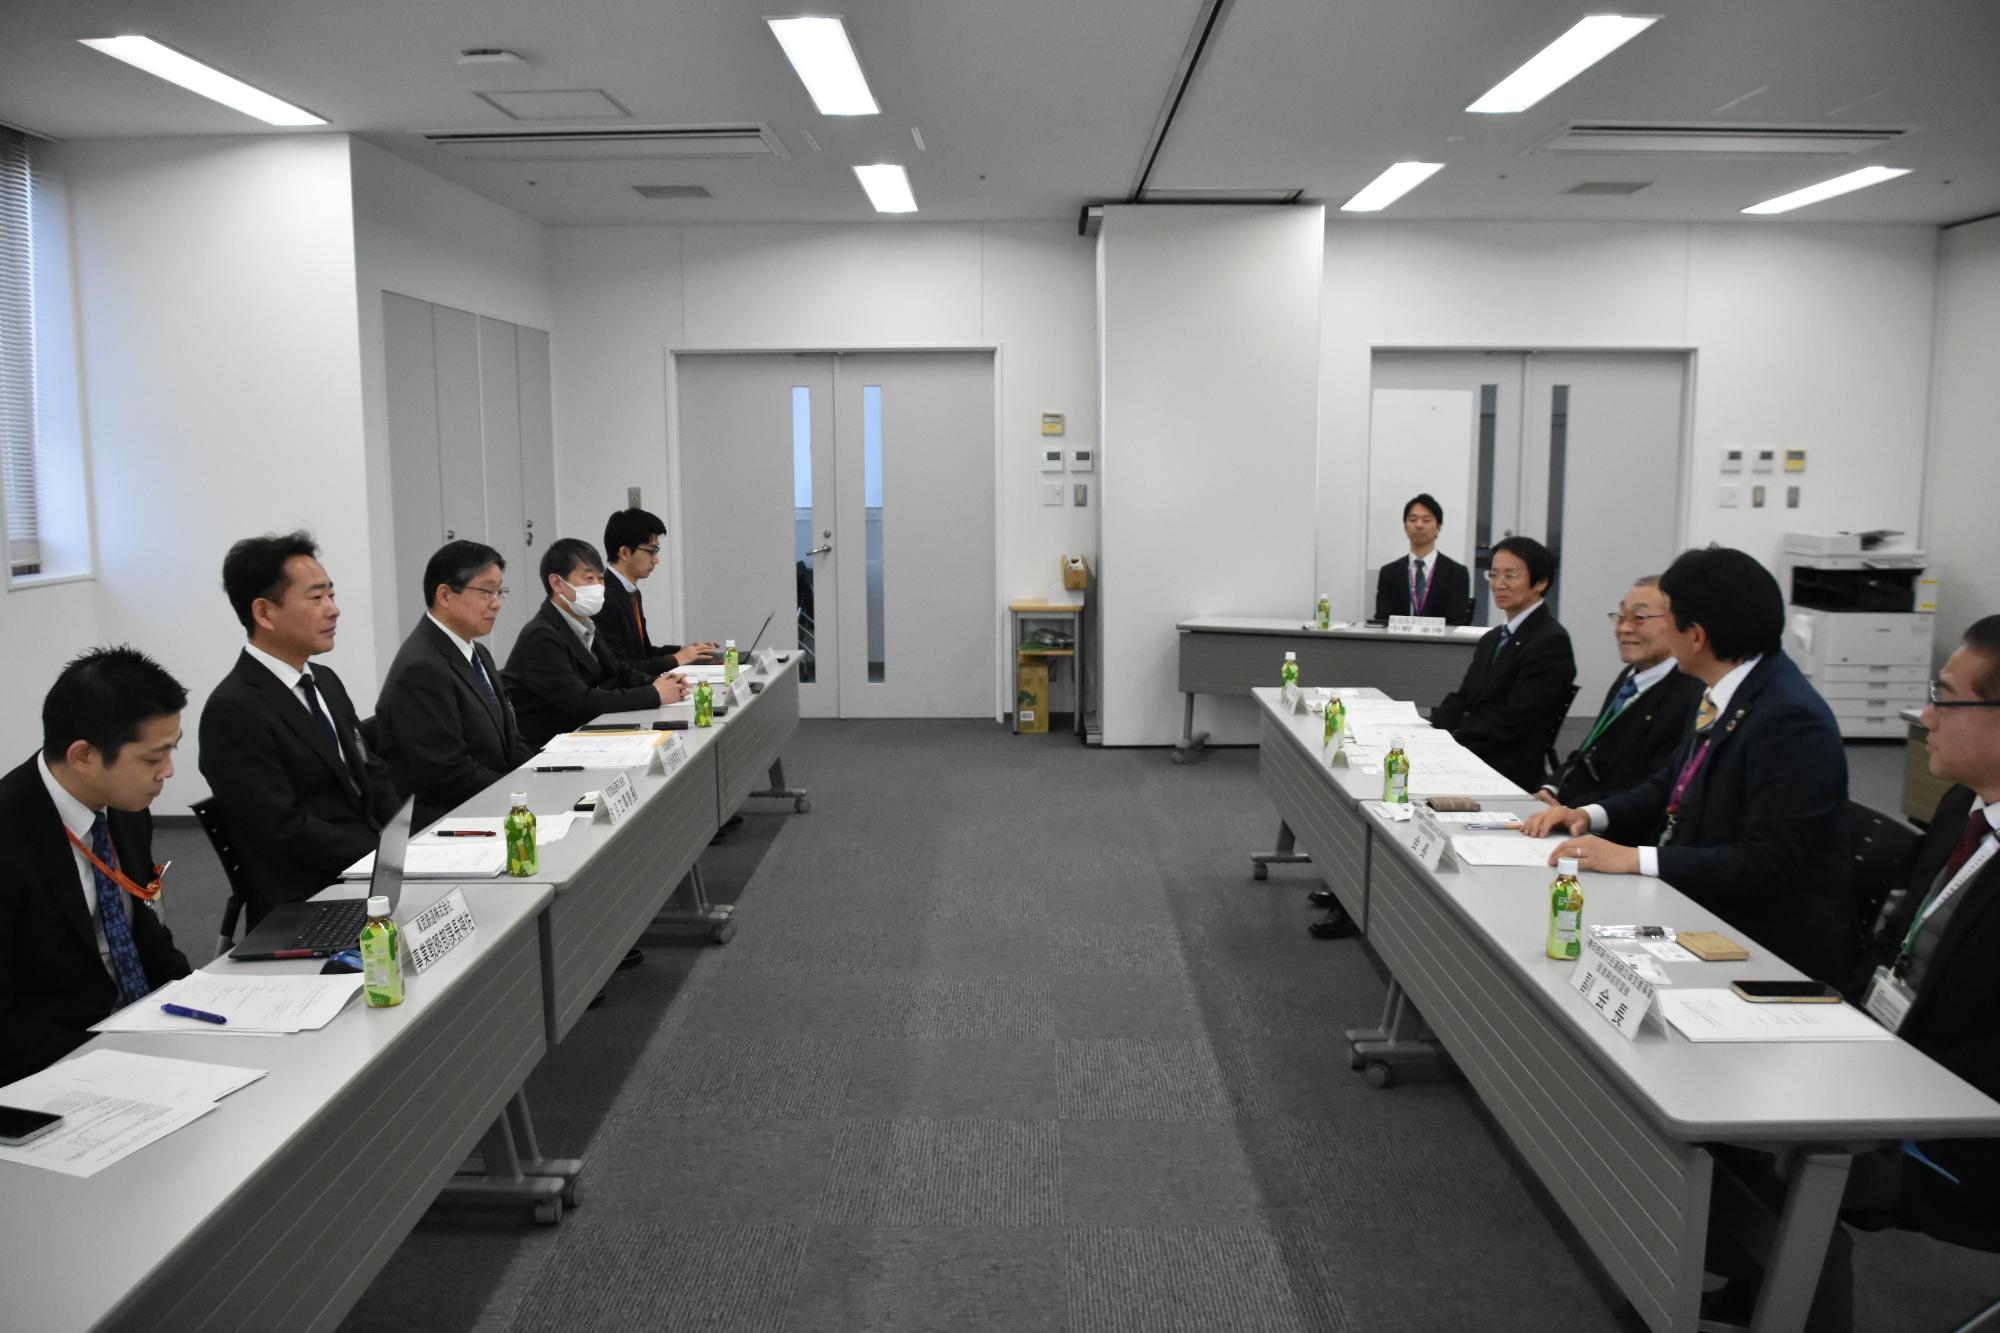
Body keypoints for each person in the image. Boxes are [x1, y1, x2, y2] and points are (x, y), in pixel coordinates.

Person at [1525, 545, 1856, 984]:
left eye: (1668, 617)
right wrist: (1589, 815)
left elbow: (1764, 863)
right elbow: (1670, 784)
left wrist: (1634, 858)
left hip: (1764, 942)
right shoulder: (1724, 689)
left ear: (1696, 636)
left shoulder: (1789, 719)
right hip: (1701, 901)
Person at [1844, 614, 2000, 1249]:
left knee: (1775, 1153)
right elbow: (1895, 935)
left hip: (1963, 1117)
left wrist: (1899, 1074)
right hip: (1896, 1059)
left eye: (1946, 699)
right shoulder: (1963, 804)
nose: (1926, 718)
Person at [0, 647, 194, 1085]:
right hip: (57, 1064)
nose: (167, 771)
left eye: (171, 750)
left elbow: (145, 929)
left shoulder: (124, 804)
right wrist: (116, 1056)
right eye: (152, 759)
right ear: (83, 756)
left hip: (143, 1033)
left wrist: (200, 998)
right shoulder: (10, 838)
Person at [199, 532, 402, 925]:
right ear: (264, 613)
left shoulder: (324, 680)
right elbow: (281, 827)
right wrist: (378, 856)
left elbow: (371, 772)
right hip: (309, 896)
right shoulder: (234, 709)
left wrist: (405, 843)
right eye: (317, 598)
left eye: (332, 595)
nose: (334, 610)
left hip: (365, 871)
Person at [374, 541, 535, 830]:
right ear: (445, 595)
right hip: (448, 819)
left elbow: (511, 739)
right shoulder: (421, 668)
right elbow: (450, 773)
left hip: (490, 799)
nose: (496, 603)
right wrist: (519, 797)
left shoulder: (476, 652)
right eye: (486, 591)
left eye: (499, 592)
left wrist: (539, 775)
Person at [503, 537, 690, 749]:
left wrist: (659, 681)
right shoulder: (540, 636)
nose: (598, 587)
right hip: (550, 747)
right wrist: (654, 694)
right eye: (589, 578)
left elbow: (617, 671)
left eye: (601, 579)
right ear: (557, 583)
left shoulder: (584, 623)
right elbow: (581, 701)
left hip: (584, 735)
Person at [1539, 575, 1704, 809]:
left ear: (1677, 624)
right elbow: (1590, 750)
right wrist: (1551, 788)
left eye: (1639, 618)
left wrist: (1580, 812)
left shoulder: (1689, 694)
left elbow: (1652, 787)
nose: (1624, 629)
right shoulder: (1630, 677)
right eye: (1621, 617)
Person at [1429, 535, 1577, 791]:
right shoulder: (1493, 638)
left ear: (1540, 582)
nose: (1499, 584)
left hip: (1505, 767)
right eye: (1494, 574)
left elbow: (1515, 720)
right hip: (1471, 752)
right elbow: (1462, 698)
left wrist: (1452, 744)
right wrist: (1427, 733)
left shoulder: (1550, 641)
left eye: (1511, 576)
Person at [598, 507, 717, 675]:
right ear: (625, 553)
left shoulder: (630, 592)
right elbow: (620, 667)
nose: (656, 560)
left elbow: (644, 653)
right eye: (651, 551)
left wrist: (685, 651)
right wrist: (677, 658)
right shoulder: (603, 598)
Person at [1373, 493, 1474, 625]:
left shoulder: (1457, 573)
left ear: (1438, 527)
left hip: (1441, 638)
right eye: (1413, 520)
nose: (1419, 525)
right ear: (1405, 527)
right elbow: (1382, 621)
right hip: (1398, 638)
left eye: (1426, 520)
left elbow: (1456, 622)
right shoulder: (1389, 573)